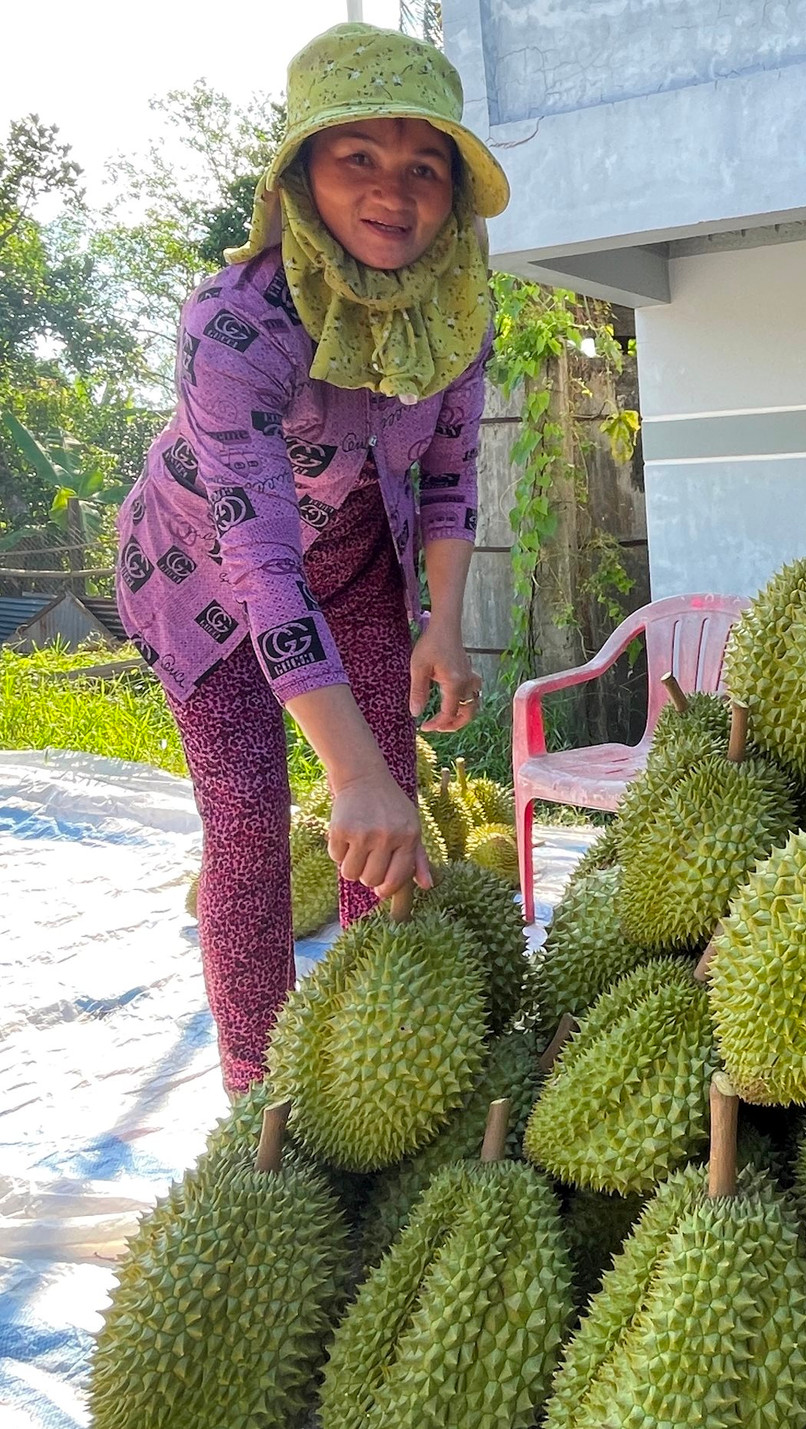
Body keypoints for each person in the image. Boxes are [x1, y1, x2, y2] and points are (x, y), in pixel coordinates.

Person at [114, 24, 510, 1098]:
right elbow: (258, 562)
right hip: (203, 577)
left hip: (355, 559)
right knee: (248, 824)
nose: (396, 191)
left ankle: (378, 1052)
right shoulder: (237, 326)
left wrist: (442, 621)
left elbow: (450, 476)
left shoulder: (459, 315)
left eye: (425, 165)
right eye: (360, 159)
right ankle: (262, 1096)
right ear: (301, 175)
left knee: (390, 811)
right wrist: (344, 772)